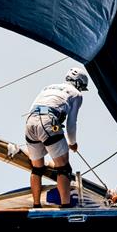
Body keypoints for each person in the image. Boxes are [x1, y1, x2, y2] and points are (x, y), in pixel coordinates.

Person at [24, 67, 87, 208]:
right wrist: (73, 143)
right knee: (64, 168)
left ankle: (36, 205)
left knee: (37, 168)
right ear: (79, 84)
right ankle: (66, 206)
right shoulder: (76, 94)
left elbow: (35, 108)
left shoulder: (48, 87)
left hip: (30, 121)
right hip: (50, 121)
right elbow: (71, 123)